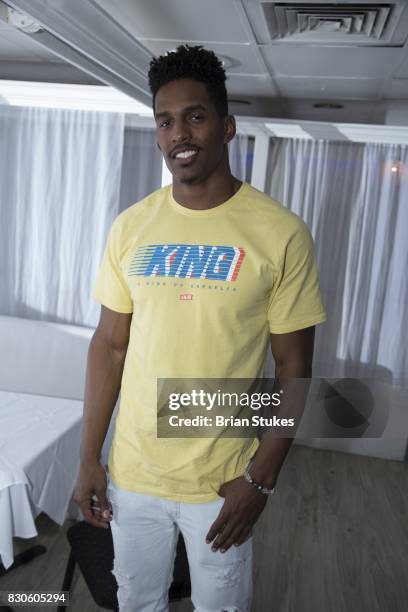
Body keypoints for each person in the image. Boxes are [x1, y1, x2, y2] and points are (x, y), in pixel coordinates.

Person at [74, 44, 326, 612]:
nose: (179, 133)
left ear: (227, 126)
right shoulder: (131, 227)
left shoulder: (279, 232)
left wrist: (260, 480)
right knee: (137, 602)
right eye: (165, 120)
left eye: (195, 115)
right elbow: (109, 346)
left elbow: (294, 367)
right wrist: (90, 456)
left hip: (223, 480)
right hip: (134, 476)